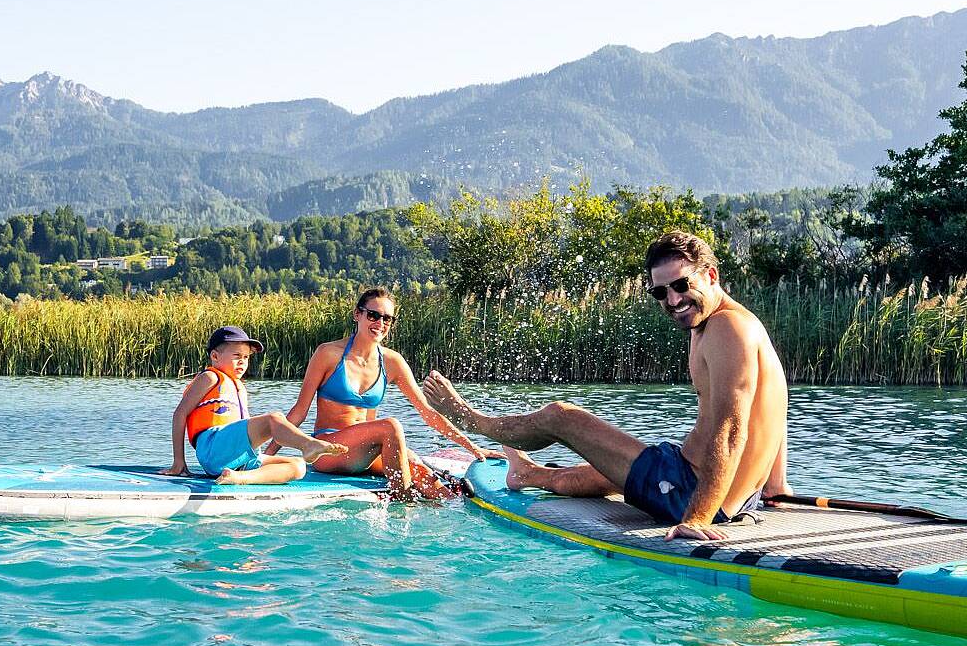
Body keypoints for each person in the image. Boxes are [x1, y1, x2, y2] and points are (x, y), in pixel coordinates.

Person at [423, 230, 790, 541]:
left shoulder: (727, 329)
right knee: (605, 474)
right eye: (661, 293)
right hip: (718, 487)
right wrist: (776, 485)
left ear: (710, 275)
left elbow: (730, 431)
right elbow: (774, 405)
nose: (673, 300)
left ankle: (470, 420)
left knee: (560, 417)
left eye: (681, 285)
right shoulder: (739, 323)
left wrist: (696, 519)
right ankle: (529, 474)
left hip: (691, 492)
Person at [285, 287, 488, 499]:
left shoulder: (392, 362)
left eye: (387, 319)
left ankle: (448, 508)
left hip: (367, 454)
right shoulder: (328, 354)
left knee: (421, 471)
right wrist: (263, 457)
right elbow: (299, 412)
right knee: (390, 426)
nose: (380, 324)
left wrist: (473, 448)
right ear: (357, 314)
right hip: (329, 452)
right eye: (373, 315)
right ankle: (404, 503)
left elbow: (427, 412)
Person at [166, 326, 349, 485]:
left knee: (298, 466)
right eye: (237, 356)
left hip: (237, 458)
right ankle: (308, 444)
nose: (242, 362)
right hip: (213, 449)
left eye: (246, 357)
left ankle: (240, 478)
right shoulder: (210, 378)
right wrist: (179, 462)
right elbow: (180, 414)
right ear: (215, 356)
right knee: (273, 419)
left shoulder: (239, 388)